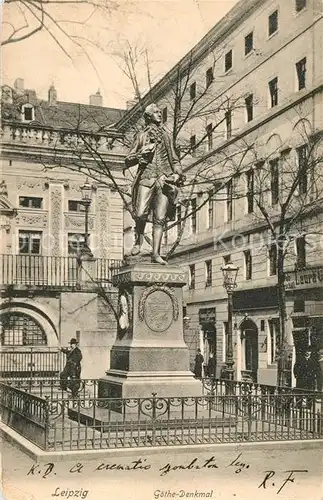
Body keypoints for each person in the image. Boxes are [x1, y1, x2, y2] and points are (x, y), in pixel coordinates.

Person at [124, 103, 185, 265]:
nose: (159, 114)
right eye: (156, 112)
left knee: (160, 218)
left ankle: (156, 254)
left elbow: (174, 159)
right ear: (149, 116)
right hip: (146, 178)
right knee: (140, 213)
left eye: (160, 112)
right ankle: (139, 242)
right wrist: (139, 155)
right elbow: (127, 159)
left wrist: (178, 174)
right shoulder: (141, 135)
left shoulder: (166, 135)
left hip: (164, 181)